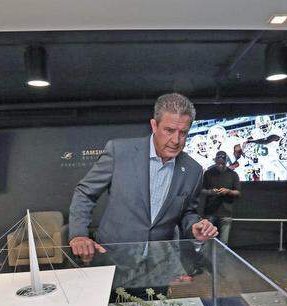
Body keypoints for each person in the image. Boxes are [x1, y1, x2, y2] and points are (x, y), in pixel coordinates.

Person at [69, 93, 218, 288]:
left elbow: (187, 212)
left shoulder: (193, 170)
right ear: (154, 125)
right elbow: (85, 193)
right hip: (113, 260)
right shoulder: (119, 151)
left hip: (159, 267)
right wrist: (79, 234)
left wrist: (194, 227)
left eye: (183, 132)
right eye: (169, 130)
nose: (176, 140)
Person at [201, 150, 241, 244]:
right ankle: (206, 258)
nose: (220, 165)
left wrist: (228, 191)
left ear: (226, 161)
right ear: (215, 160)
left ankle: (221, 259)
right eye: (218, 162)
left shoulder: (233, 174)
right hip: (210, 211)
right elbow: (202, 190)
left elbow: (238, 193)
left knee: (224, 243)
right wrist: (211, 192)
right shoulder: (208, 173)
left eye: (222, 163)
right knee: (206, 241)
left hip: (226, 212)